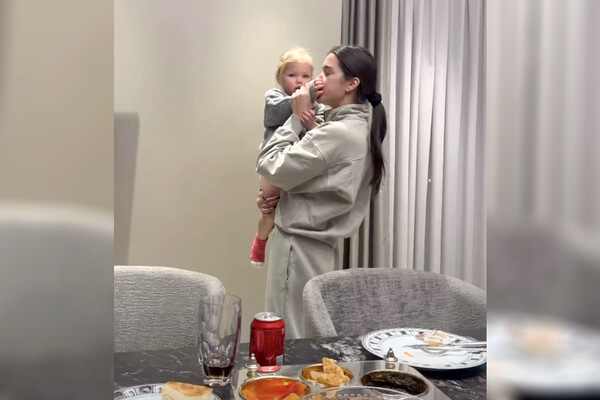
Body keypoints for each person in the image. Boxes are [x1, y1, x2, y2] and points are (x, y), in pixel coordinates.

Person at [256, 45, 387, 339]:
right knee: (305, 335)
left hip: (297, 246)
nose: (317, 81)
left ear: (352, 84)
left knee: (287, 338)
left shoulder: (337, 133)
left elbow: (268, 164)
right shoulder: (359, 127)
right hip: (318, 248)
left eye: (327, 73)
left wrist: (294, 117)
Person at [250, 47, 325, 267]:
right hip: (274, 162)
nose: (300, 81)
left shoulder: (318, 104)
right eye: (292, 75)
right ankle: (260, 241)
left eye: (306, 76)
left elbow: (321, 132)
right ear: (280, 78)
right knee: (269, 208)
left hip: (299, 166)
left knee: (290, 209)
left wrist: (311, 122)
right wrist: (307, 95)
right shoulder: (275, 97)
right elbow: (276, 114)